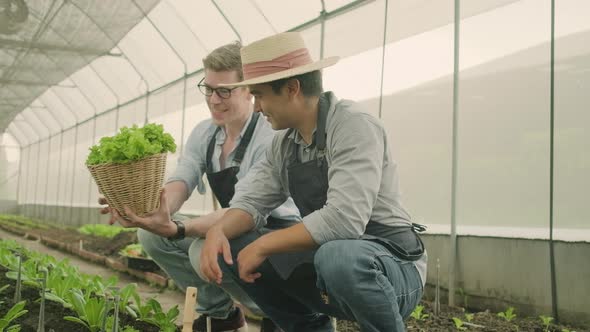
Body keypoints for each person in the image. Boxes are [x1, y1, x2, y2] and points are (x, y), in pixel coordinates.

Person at [196, 32, 428, 332]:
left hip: (392, 265)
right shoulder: (285, 143)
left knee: (338, 256)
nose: (257, 107)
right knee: (235, 245)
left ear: (292, 88)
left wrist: (265, 244)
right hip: (334, 263)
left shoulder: (353, 125)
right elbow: (252, 201)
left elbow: (344, 219)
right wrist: (218, 230)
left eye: (261, 95)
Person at [100, 41, 296, 332]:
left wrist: (180, 228)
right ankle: (221, 316)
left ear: (249, 90)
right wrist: (150, 210)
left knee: (203, 249)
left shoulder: (268, 136)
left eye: (224, 91)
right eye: (209, 88)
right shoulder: (205, 133)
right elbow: (183, 177)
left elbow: (244, 209)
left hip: (278, 233)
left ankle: (279, 312)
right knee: (152, 236)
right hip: (234, 227)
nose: (214, 100)